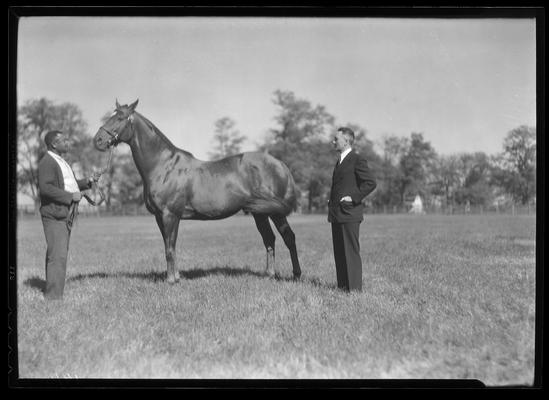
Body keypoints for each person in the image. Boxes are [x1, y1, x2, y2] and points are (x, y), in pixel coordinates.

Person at [37, 130, 101, 300]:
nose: (68, 142)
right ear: (54, 144)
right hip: (54, 215)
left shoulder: (62, 161)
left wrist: (87, 182)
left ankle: (52, 291)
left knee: (57, 253)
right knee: (58, 255)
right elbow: (46, 188)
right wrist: (69, 197)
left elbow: (69, 184)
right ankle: (53, 298)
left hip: (65, 214)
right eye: (64, 140)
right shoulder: (47, 162)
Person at [328, 127, 377, 292]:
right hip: (337, 213)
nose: (333, 141)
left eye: (336, 139)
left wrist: (353, 198)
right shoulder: (339, 161)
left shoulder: (357, 159)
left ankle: (355, 290)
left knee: (350, 252)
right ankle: (342, 287)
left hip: (350, 213)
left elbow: (370, 183)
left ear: (346, 140)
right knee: (340, 252)